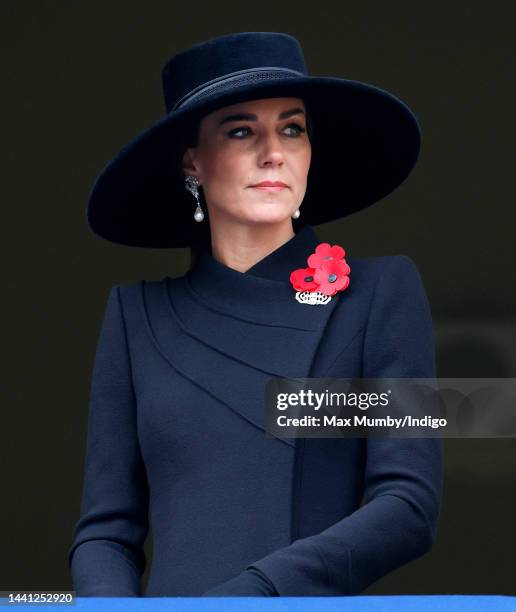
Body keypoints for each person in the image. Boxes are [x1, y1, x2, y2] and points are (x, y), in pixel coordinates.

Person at [68, 31, 443, 597]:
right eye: (241, 130)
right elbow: (105, 533)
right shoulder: (135, 316)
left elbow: (408, 504)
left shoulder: (381, 293)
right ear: (193, 161)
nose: (274, 151)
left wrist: (256, 596)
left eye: (292, 128)